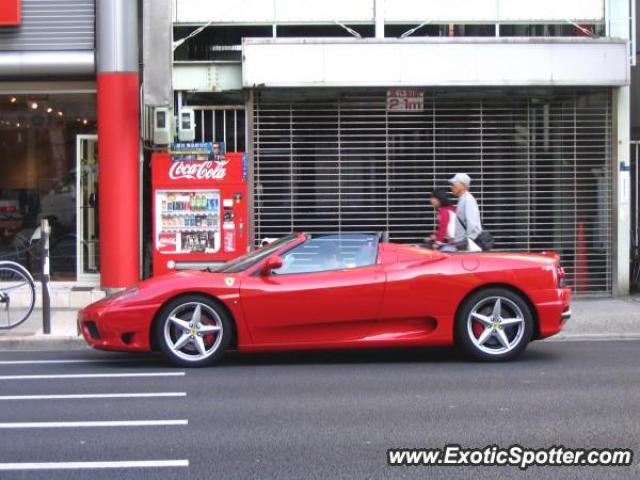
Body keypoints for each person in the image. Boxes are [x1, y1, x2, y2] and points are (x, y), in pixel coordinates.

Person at [448, 173, 483, 252]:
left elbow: (473, 226)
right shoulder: (463, 199)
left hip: (466, 248)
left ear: (462, 185)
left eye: (453, 184)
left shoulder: (468, 200)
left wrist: (468, 244)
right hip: (462, 246)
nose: (451, 187)